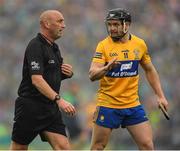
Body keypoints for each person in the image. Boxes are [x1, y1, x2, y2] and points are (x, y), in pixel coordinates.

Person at [89, 8, 169, 150]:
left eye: (115, 25)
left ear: (126, 25)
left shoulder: (139, 44)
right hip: (108, 105)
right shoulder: (103, 45)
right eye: (109, 25)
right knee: (98, 147)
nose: (111, 28)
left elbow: (150, 70)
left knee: (147, 146)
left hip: (132, 105)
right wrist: (106, 68)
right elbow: (92, 74)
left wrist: (160, 95)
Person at [10, 10, 76, 150]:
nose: (63, 25)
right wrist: (60, 100)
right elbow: (37, 80)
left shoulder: (54, 48)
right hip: (31, 107)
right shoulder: (35, 45)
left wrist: (65, 74)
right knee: (19, 148)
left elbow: (49, 77)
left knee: (64, 147)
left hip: (50, 108)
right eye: (60, 21)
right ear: (46, 24)